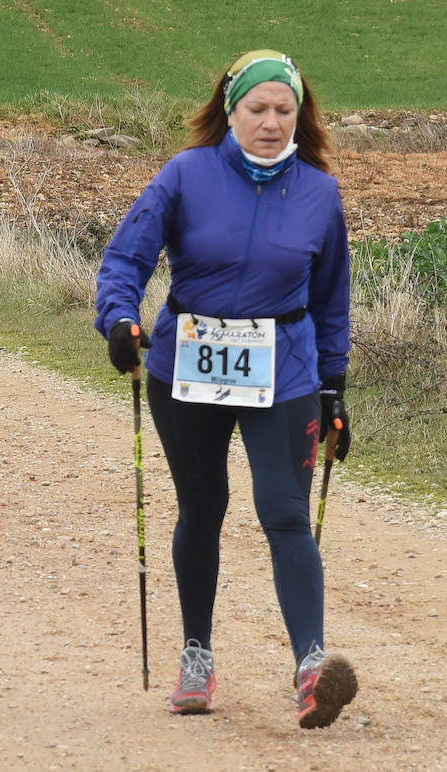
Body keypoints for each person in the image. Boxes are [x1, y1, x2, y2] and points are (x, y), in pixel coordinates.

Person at [95, 49, 358, 729]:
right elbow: (126, 256)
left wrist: (333, 390)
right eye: (257, 109)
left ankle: (311, 668)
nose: (271, 123)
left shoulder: (320, 195)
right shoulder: (185, 175)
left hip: (286, 369)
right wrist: (121, 318)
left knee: (285, 513)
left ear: (300, 117)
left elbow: (332, 302)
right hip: (188, 368)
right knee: (203, 505)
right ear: (230, 111)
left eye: (284, 110)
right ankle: (196, 656)